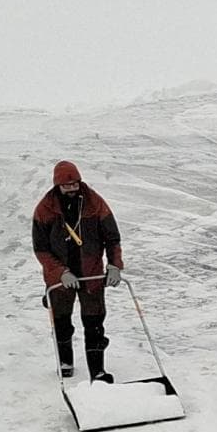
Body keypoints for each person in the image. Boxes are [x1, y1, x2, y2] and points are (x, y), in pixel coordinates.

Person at [31, 160, 124, 381]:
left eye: (75, 184)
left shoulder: (95, 203)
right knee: (62, 322)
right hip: (60, 279)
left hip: (91, 274)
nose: (72, 189)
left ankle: (97, 371)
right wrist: (60, 272)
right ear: (58, 186)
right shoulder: (45, 209)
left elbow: (112, 238)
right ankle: (65, 362)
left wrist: (114, 265)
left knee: (94, 324)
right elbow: (41, 249)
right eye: (67, 186)